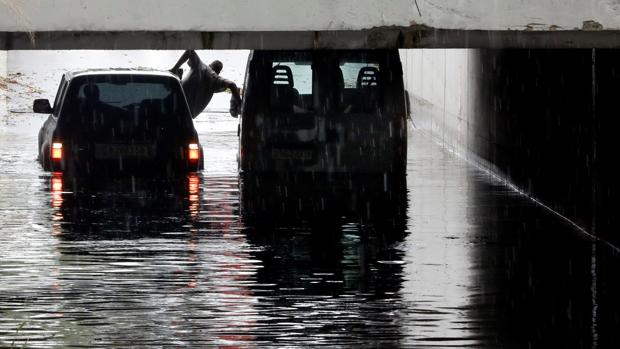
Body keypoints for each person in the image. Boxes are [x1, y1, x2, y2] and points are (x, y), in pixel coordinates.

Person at [169, 50, 241, 118]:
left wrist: (173, 69)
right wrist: (239, 104)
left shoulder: (201, 66)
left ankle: (178, 76)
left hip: (174, 102)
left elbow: (189, 51)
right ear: (218, 72)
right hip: (187, 113)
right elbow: (232, 85)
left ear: (210, 65)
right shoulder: (216, 80)